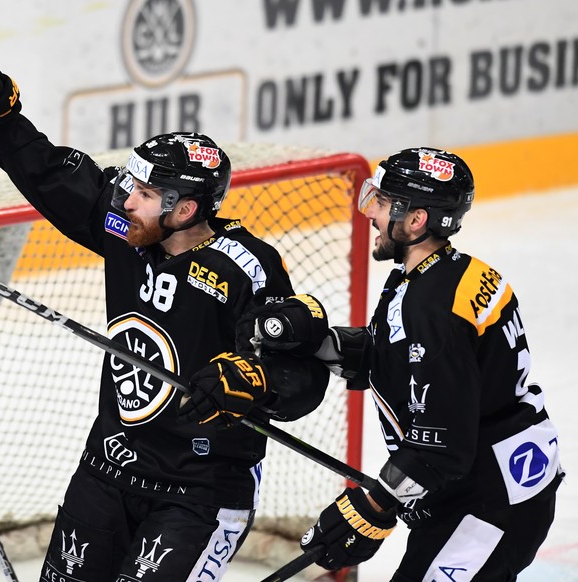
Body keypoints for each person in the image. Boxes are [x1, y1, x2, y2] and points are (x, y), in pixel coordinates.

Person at [0, 51, 331, 581]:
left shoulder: (245, 268)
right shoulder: (125, 230)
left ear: (185, 210)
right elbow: (52, 178)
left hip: (198, 494)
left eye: (146, 193)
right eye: (130, 187)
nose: (127, 200)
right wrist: (0, 116)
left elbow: (305, 375)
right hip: (107, 471)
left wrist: (252, 381)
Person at [237, 148, 564, 580]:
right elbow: (399, 359)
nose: (371, 213)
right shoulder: (446, 275)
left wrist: (370, 508)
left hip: (488, 503)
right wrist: (316, 344)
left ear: (416, 221)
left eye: (383, 203)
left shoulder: (431, 311)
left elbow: (441, 448)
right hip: (498, 480)